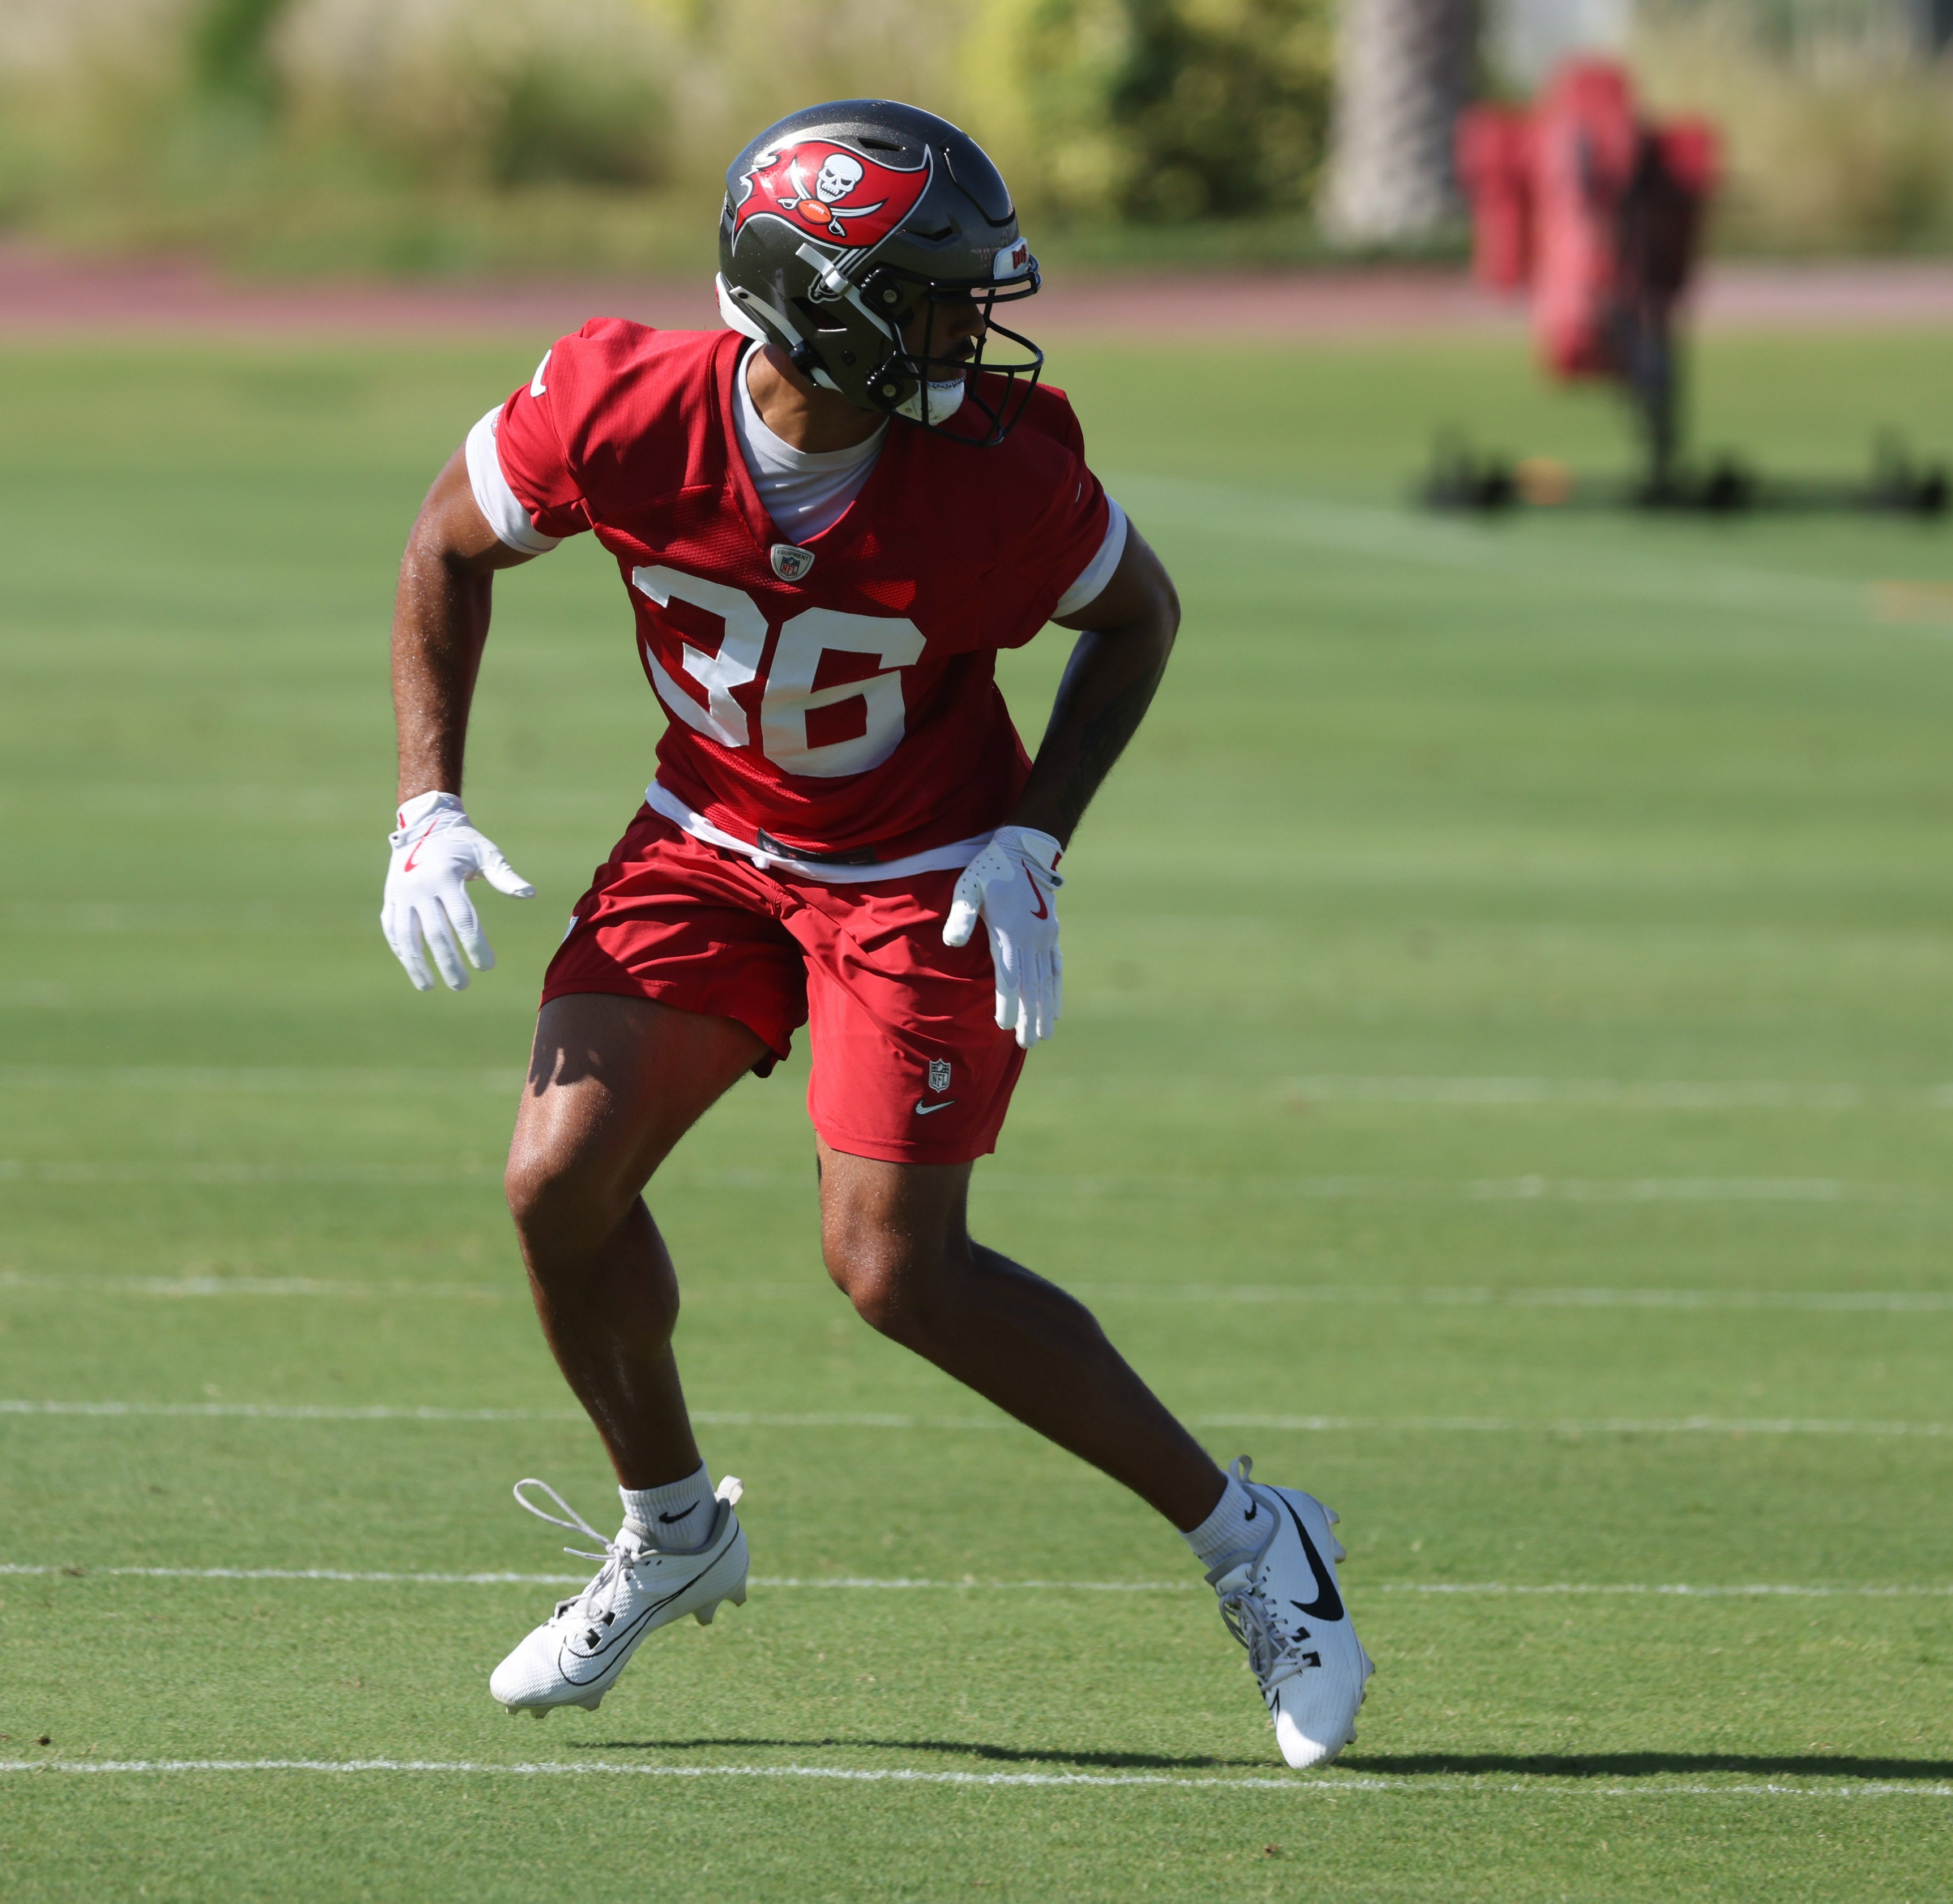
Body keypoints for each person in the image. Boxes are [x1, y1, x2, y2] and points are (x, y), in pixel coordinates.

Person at [378, 99, 1371, 1770]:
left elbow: (1139, 615)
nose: (962, 335)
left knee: (896, 1267)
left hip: (921, 866)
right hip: (709, 838)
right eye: (925, 301)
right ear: (809, 305)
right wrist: (426, 801)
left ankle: (1256, 1536)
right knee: (556, 1178)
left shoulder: (992, 470)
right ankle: (674, 1524)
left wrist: (1036, 837)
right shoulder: (619, 402)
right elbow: (447, 539)